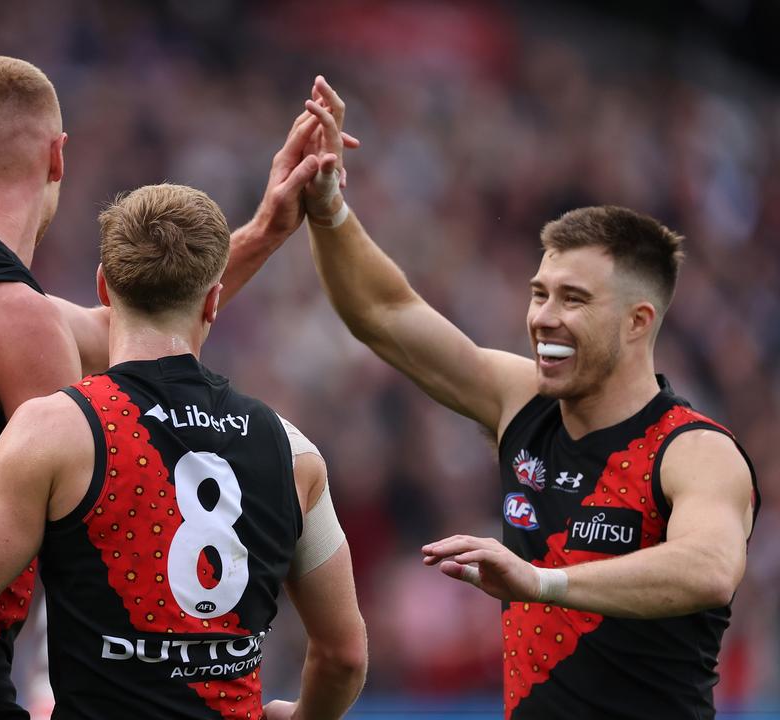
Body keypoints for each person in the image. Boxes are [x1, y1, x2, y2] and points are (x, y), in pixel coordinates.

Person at [0, 58, 353, 719]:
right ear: (58, 158)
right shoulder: (19, 319)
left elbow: (139, 323)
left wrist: (264, 231)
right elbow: (93, 517)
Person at [293, 80, 759, 718]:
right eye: (540, 293)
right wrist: (328, 208)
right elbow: (386, 313)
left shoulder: (694, 450)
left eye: (574, 299)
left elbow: (708, 568)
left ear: (638, 321)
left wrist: (541, 582)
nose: (544, 317)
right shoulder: (523, 401)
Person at [0, 183, 368, 720]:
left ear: (103, 289)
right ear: (213, 302)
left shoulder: (57, 429)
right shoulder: (293, 451)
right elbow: (344, 656)